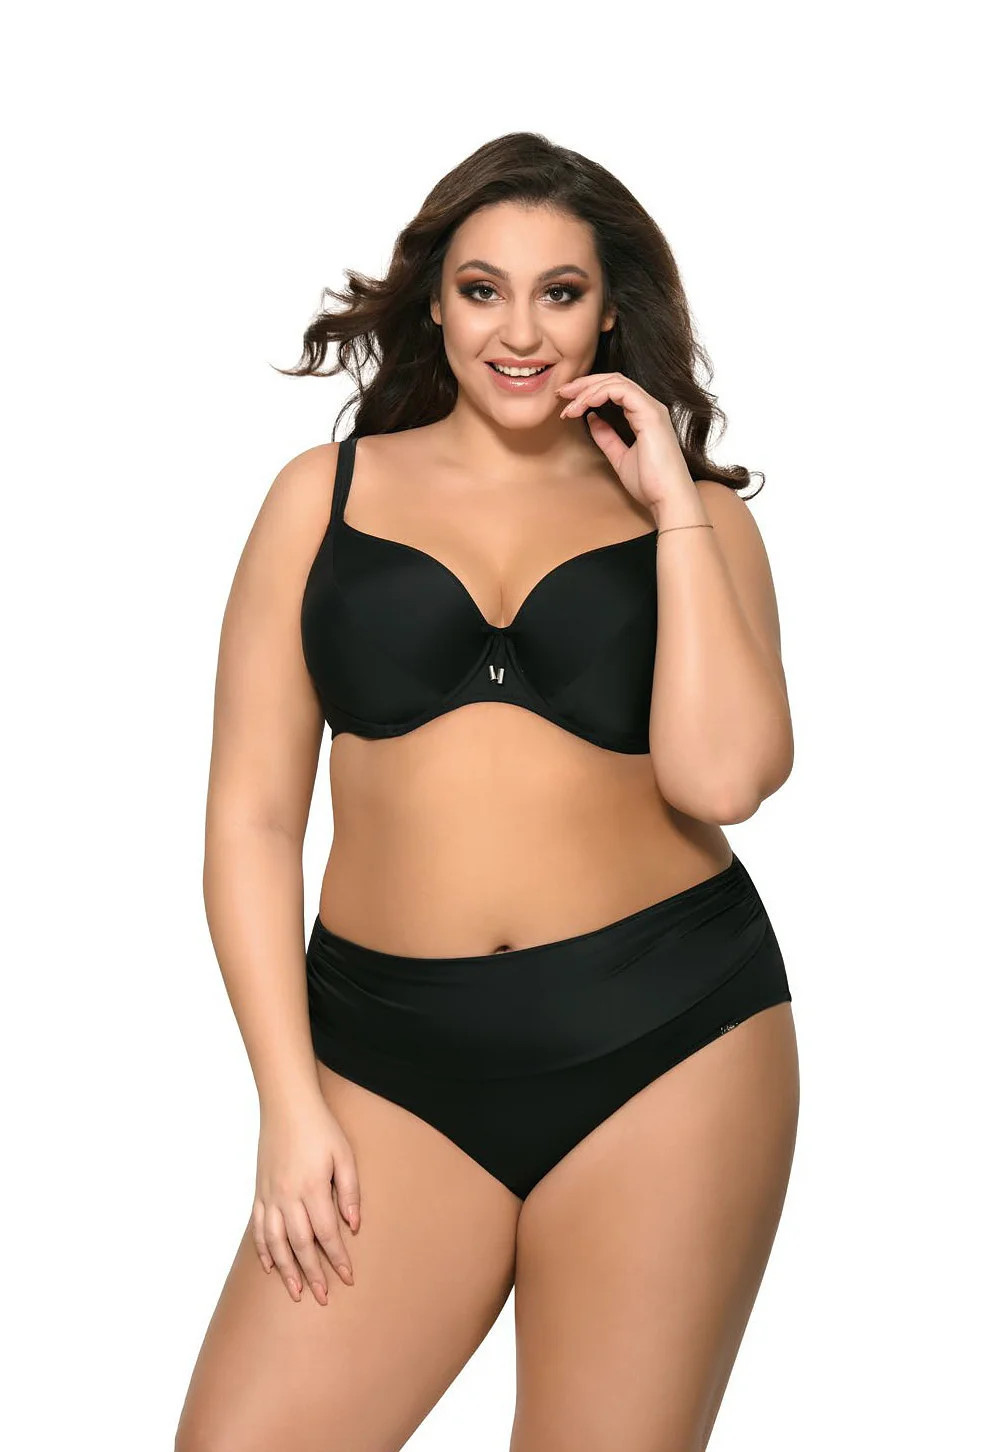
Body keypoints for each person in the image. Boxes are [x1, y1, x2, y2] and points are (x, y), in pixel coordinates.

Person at [174, 131, 801, 1452]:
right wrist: (287, 1098)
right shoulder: (322, 499)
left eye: (559, 293)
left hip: (668, 1041)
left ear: (609, 311)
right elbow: (253, 819)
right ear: (435, 304)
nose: (520, 332)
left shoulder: (698, 521)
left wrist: (673, 504)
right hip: (385, 1059)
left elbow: (725, 777)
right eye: (482, 290)